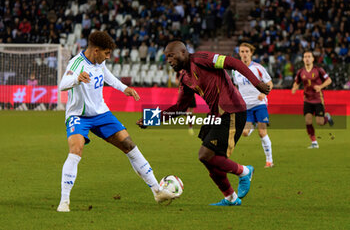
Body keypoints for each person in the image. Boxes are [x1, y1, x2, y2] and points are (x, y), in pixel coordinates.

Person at [137, 40, 270, 206]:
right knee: (208, 159)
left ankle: (244, 172)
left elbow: (233, 62)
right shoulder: (185, 78)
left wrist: (257, 83)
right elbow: (180, 107)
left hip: (232, 111)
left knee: (206, 154)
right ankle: (231, 198)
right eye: (166, 57)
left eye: (171, 55)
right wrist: (152, 118)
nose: (169, 60)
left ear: (183, 52)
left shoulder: (202, 58)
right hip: (216, 116)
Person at [57, 31, 175, 212]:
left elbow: (107, 76)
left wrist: (124, 88)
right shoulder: (76, 63)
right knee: (76, 150)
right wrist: (76, 79)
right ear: (95, 50)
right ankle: (64, 201)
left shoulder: (100, 62)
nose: (108, 57)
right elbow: (62, 84)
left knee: (129, 144)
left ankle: (157, 191)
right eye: (106, 53)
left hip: (101, 113)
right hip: (78, 116)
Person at [233, 43, 274, 168]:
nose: (244, 54)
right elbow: (236, 87)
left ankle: (269, 161)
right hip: (246, 106)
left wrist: (263, 93)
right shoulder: (235, 71)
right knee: (245, 133)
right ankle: (253, 123)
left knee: (262, 132)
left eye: (246, 51)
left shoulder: (258, 68)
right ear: (239, 53)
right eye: (242, 51)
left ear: (251, 53)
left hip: (259, 103)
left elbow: (270, 83)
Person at [291, 51, 334, 149]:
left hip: (318, 99)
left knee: (320, 122)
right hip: (307, 99)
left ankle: (327, 118)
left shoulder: (319, 70)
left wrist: (321, 86)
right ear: (303, 59)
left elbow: (329, 80)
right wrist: (294, 88)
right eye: (305, 57)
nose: (307, 58)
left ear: (313, 59)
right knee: (308, 121)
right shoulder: (300, 72)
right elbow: (296, 82)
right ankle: (314, 142)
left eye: (309, 57)